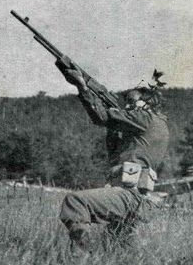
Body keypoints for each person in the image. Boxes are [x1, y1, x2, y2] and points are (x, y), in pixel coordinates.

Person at [57, 64, 170, 251]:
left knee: (75, 201)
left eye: (132, 101)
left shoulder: (146, 118)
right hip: (134, 196)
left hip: (129, 195)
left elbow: (103, 118)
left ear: (148, 102)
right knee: (117, 251)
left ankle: (83, 256)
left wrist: (83, 88)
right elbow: (114, 147)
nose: (128, 106)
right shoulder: (153, 125)